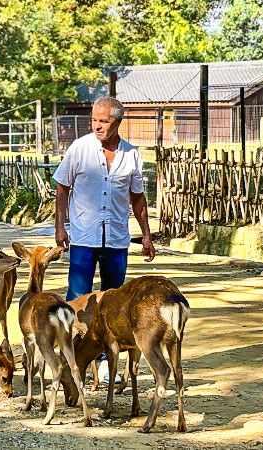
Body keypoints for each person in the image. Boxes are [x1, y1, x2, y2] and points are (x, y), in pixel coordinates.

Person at [52, 96, 155, 381]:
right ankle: (71, 359)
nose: (97, 126)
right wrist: (60, 227)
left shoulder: (131, 155)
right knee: (78, 300)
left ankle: (108, 360)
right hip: (84, 237)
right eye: (94, 120)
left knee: (114, 303)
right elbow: (62, 188)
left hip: (117, 241)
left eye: (104, 121)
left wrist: (146, 235)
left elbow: (138, 198)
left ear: (118, 122)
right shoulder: (79, 149)